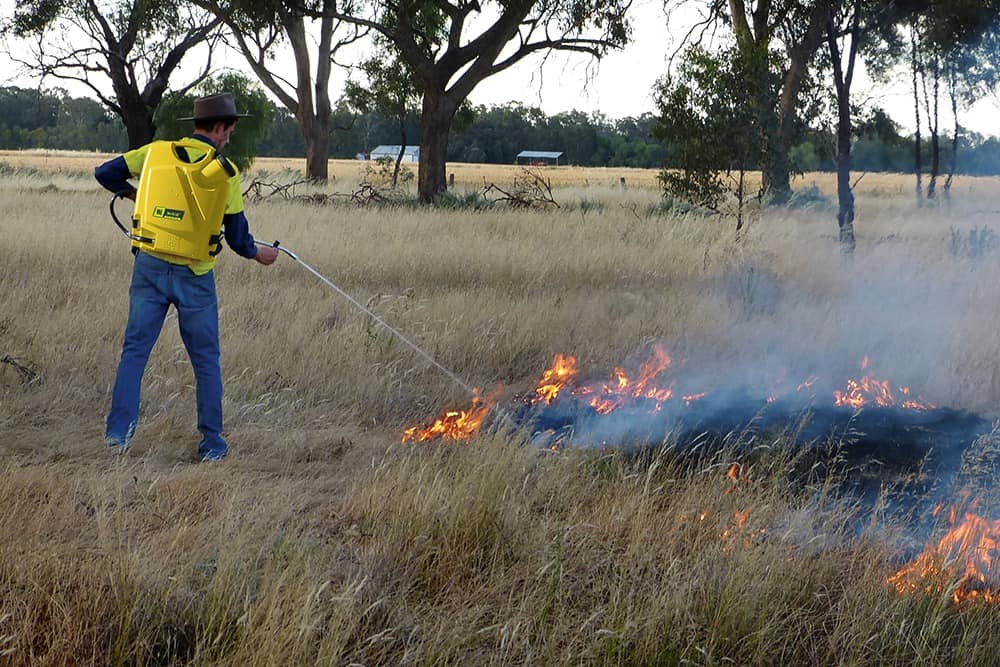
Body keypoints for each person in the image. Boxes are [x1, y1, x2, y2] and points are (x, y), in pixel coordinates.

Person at [95, 92, 279, 462]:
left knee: (134, 353)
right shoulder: (225, 173)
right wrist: (262, 254)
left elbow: (105, 172)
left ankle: (118, 436)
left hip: (148, 265)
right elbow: (239, 238)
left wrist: (135, 194)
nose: (230, 137)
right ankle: (212, 445)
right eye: (229, 130)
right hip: (195, 275)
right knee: (206, 361)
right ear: (219, 127)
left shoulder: (156, 152)